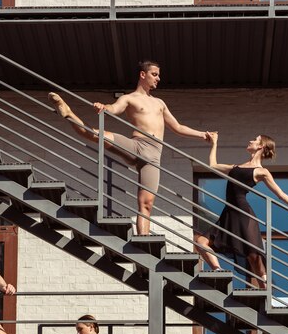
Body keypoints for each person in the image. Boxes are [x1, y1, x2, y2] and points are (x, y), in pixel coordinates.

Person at [48, 60, 211, 235]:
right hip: (136, 146)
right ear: (143, 75)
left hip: (154, 155)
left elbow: (177, 127)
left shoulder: (159, 103)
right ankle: (68, 113)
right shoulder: (129, 98)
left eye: (158, 75)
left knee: (146, 205)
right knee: (94, 134)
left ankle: (144, 240)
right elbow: (114, 108)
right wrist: (104, 107)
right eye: (154, 74)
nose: (158, 78)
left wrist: (202, 134)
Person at [195, 133, 288, 288]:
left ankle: (266, 292)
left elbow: (281, 194)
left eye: (255, 140)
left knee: (253, 255)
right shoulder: (236, 167)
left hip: (244, 214)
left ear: (261, 146)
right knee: (201, 242)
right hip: (228, 214)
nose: (250, 140)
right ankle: (218, 270)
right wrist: (215, 143)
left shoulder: (261, 171)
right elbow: (212, 166)